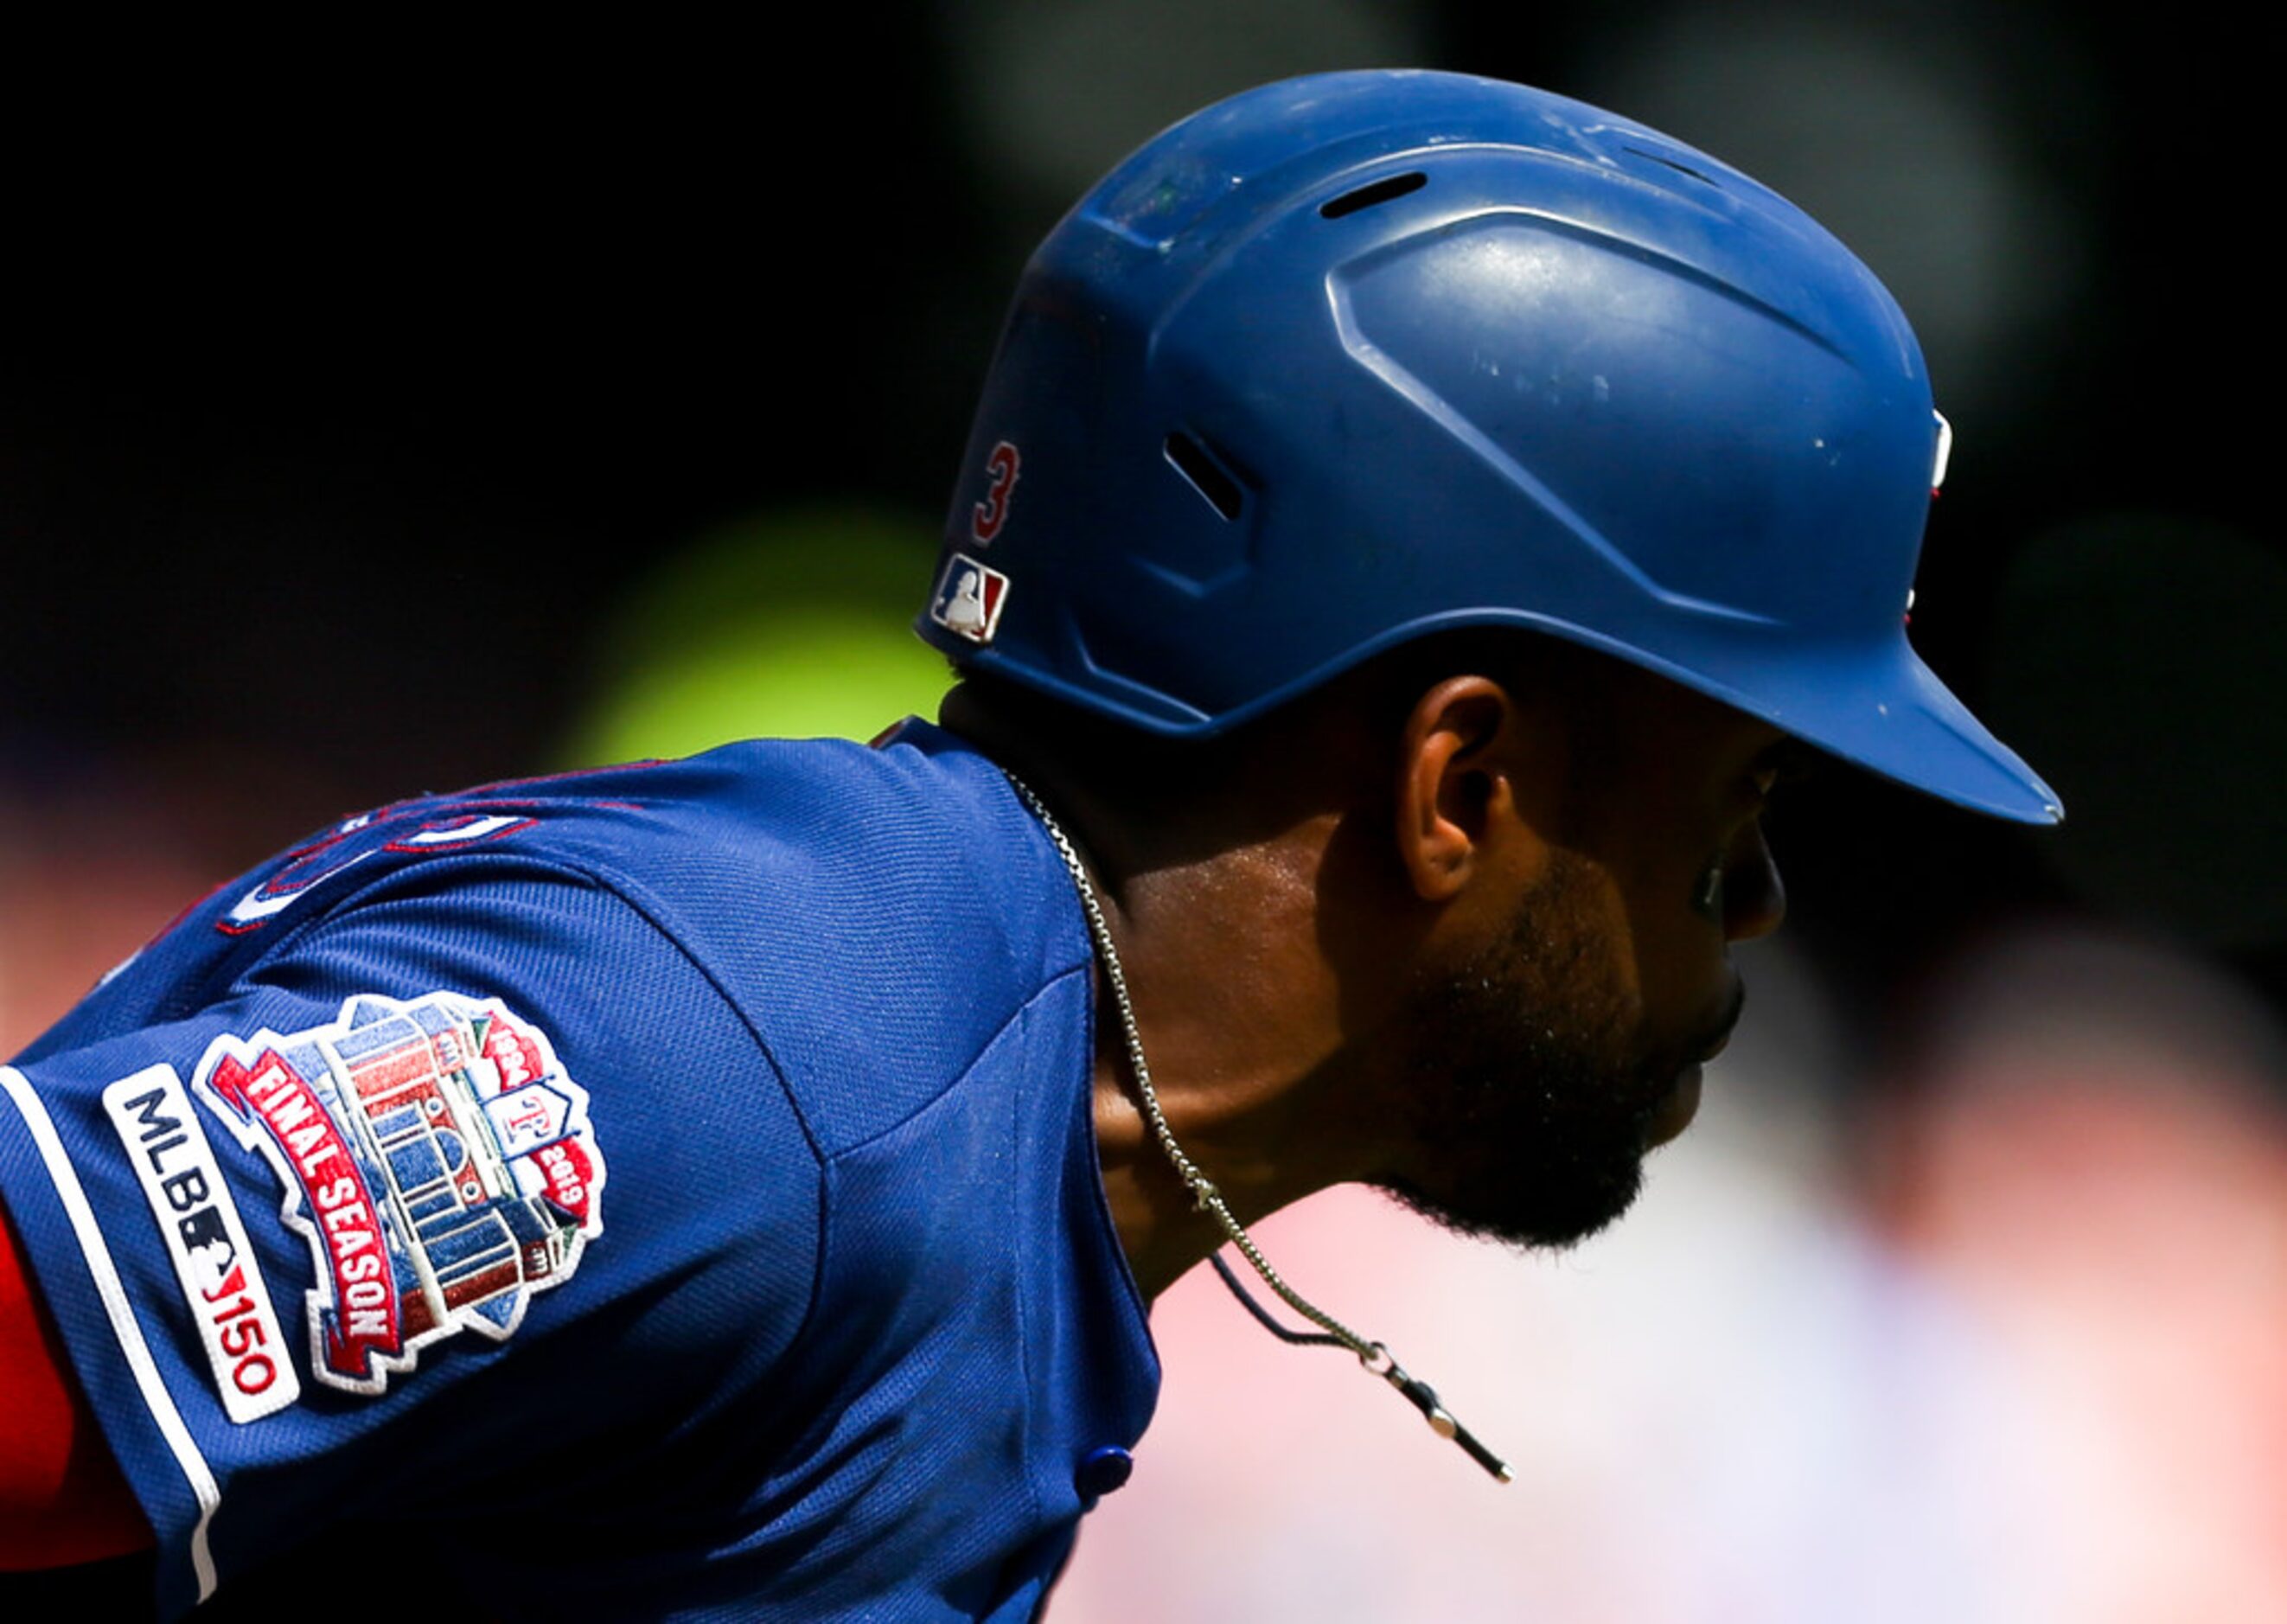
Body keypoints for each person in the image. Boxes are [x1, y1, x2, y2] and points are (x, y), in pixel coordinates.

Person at [0, 69, 2058, 1621]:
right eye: (1738, 817)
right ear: (1463, 789)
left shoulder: (995, 1144)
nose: (1766, 908)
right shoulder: (755, 1053)